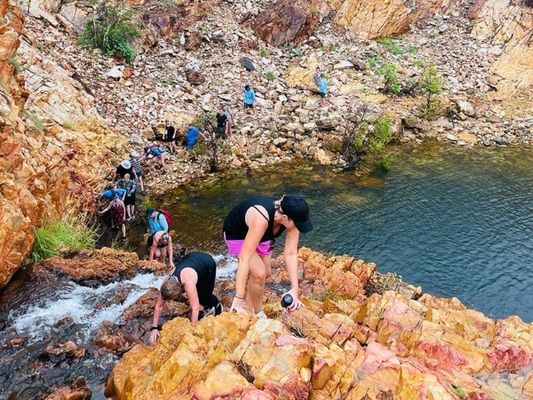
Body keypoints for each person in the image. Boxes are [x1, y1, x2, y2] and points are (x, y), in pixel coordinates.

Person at [223, 194, 312, 318]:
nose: (299, 227)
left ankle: (249, 307)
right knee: (259, 273)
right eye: (298, 224)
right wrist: (238, 296)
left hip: (263, 235)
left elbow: (291, 252)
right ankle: (257, 312)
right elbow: (244, 258)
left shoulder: (291, 219)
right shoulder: (262, 219)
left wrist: (294, 289)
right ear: (285, 218)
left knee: (266, 274)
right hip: (238, 234)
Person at [149, 250, 222, 343]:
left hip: (207, 263)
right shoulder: (166, 282)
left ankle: (218, 306)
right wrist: (154, 327)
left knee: (204, 297)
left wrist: (192, 330)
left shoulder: (188, 283)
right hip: (190, 258)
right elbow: (159, 306)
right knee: (195, 296)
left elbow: (195, 308)